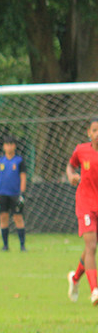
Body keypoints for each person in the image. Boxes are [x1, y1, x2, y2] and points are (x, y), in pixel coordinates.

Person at [66, 118, 98, 306]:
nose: (97, 134)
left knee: (89, 248)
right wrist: (71, 176)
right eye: (94, 130)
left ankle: (75, 278)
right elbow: (70, 165)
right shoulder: (81, 150)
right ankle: (94, 290)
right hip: (85, 204)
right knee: (92, 246)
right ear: (89, 133)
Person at [0, 136, 27, 251]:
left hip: (15, 194)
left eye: (11, 144)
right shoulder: (0, 161)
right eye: (7, 144)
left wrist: (22, 193)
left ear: (14, 146)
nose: (9, 147)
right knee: (3, 217)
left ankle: (22, 245)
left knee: (18, 217)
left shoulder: (19, 161)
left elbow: (23, 177)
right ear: (3, 146)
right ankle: (5, 245)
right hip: (2, 193)